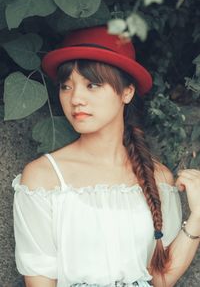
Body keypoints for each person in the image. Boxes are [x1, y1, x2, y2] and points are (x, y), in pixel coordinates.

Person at [12, 26, 200, 287]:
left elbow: (161, 278)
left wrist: (198, 216)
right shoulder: (43, 178)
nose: (76, 98)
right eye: (66, 87)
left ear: (127, 92)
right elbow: (40, 282)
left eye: (92, 85)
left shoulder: (157, 176)